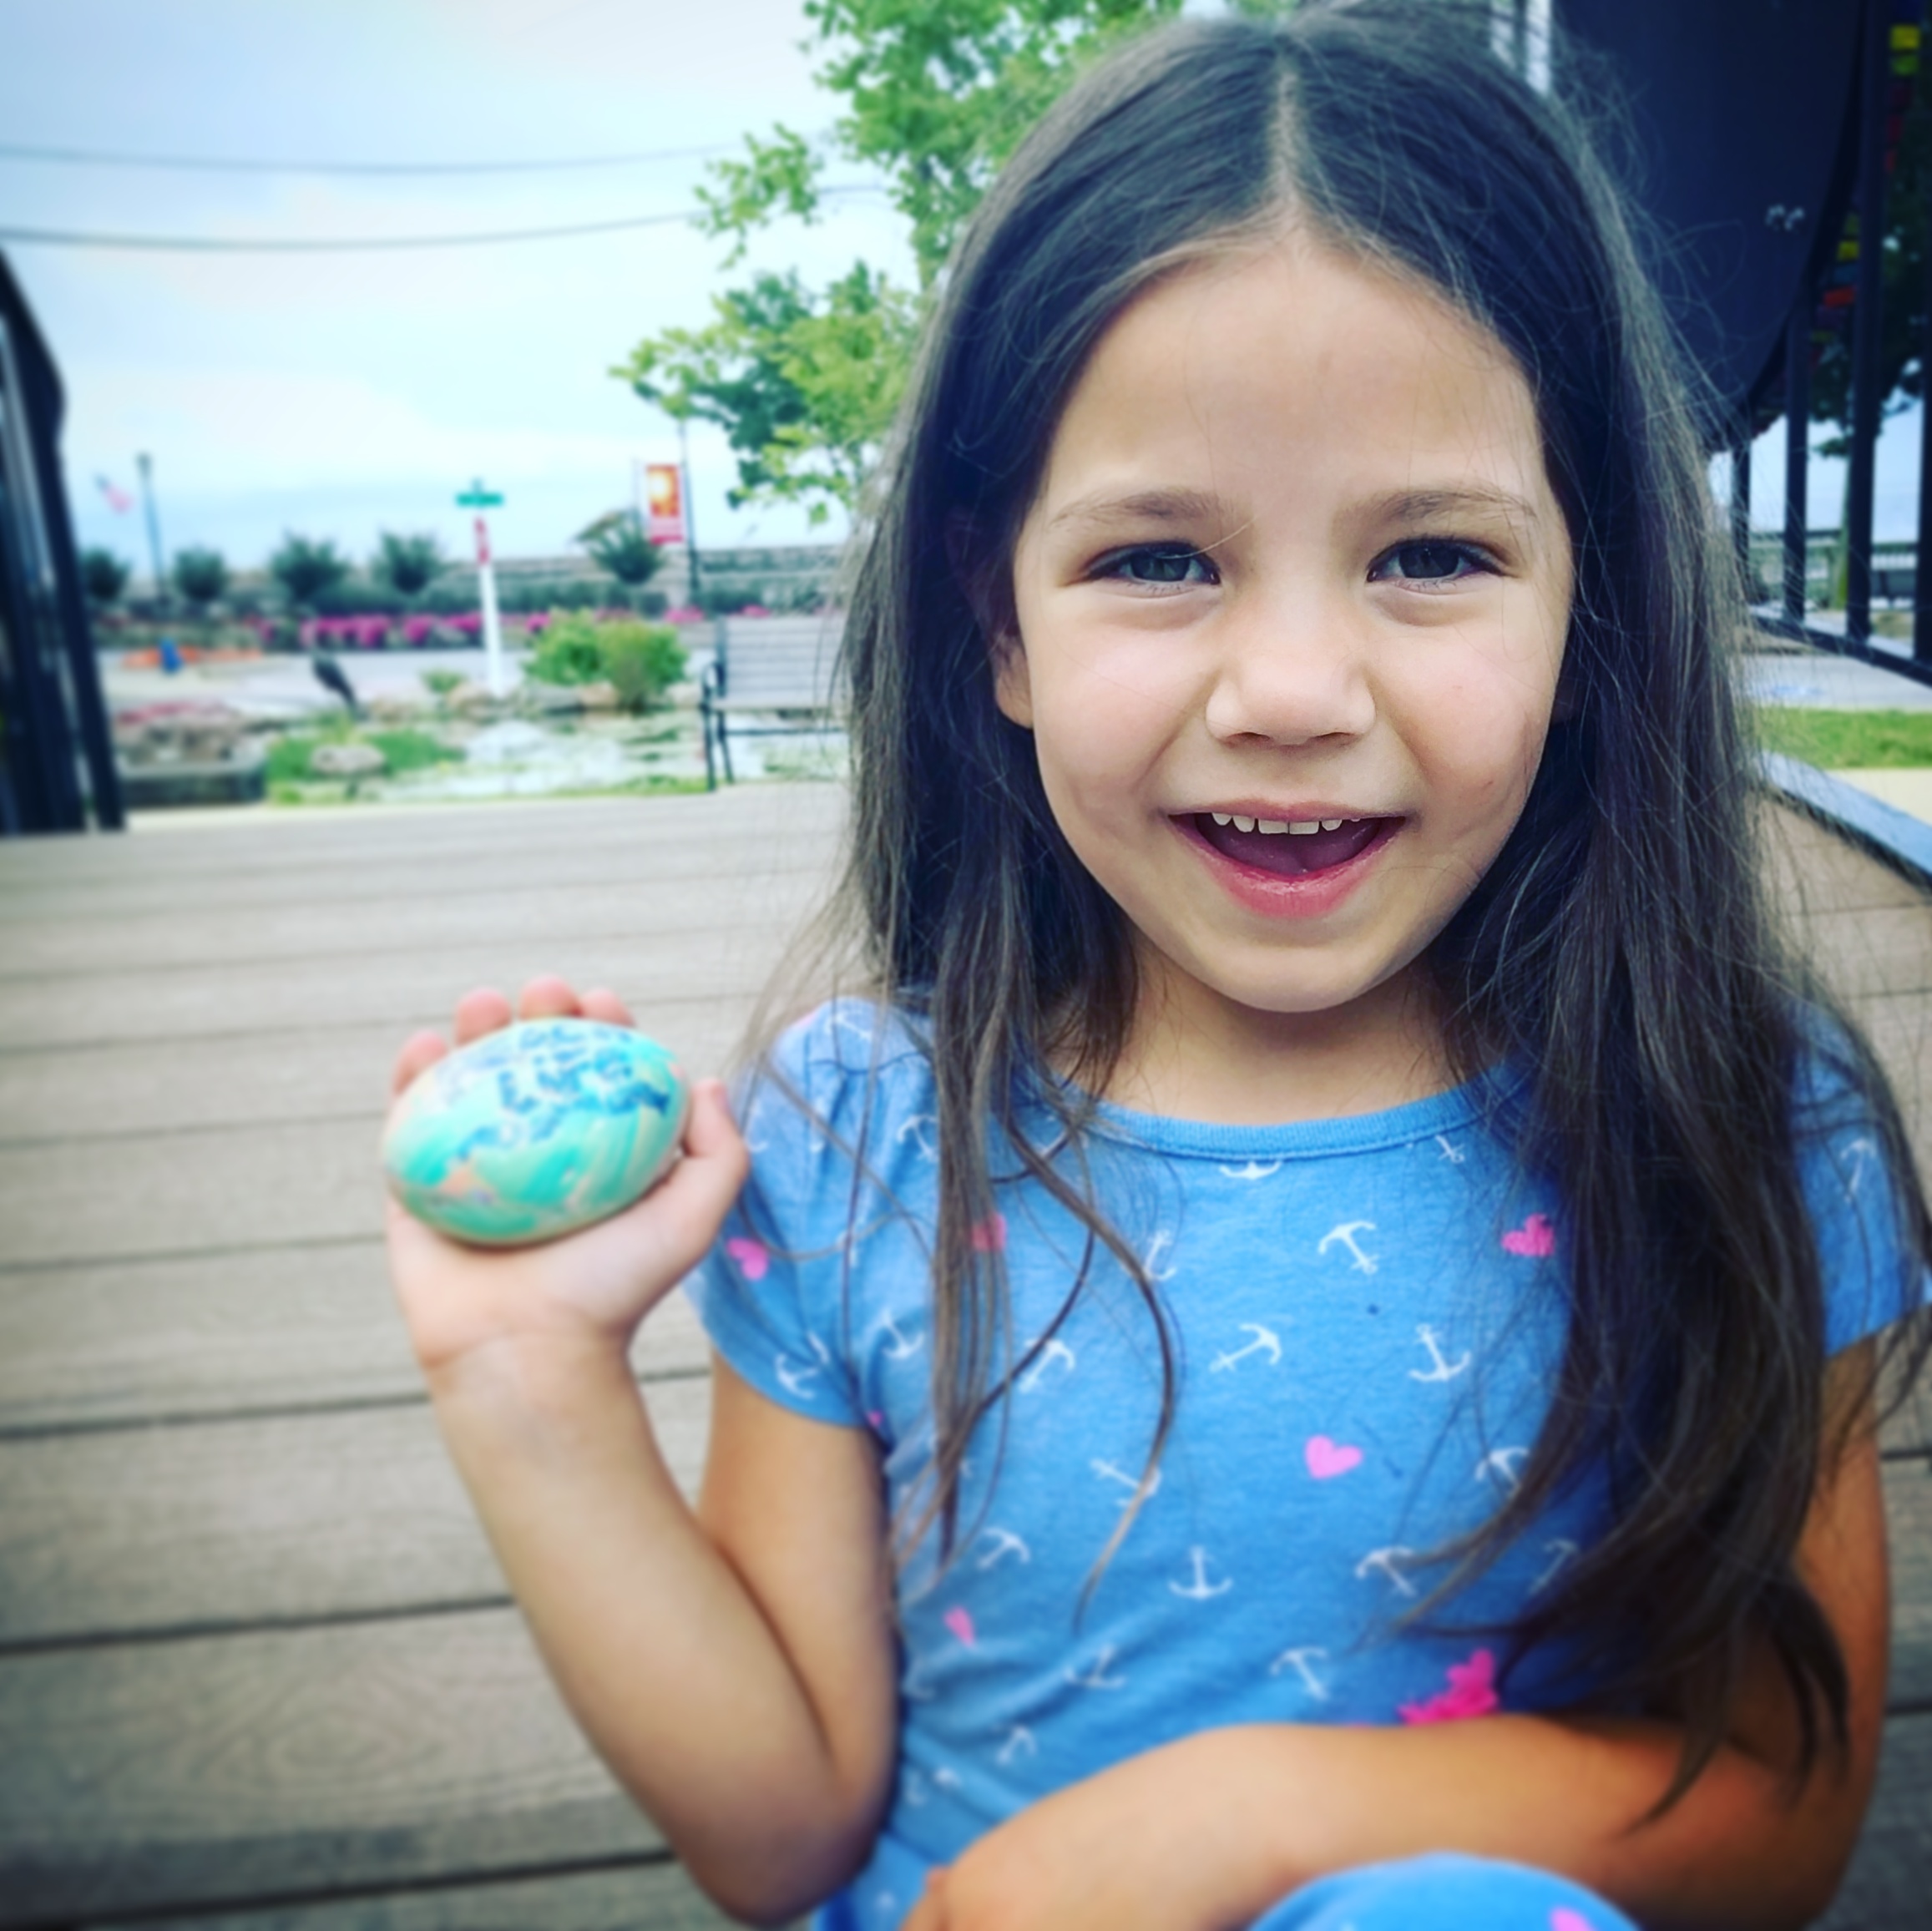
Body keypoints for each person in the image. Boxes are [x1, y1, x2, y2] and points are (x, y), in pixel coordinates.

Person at [385, 5, 1931, 1926]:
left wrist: (1235, 1816)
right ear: (997, 622)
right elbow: (776, 1834)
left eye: (1430, 554)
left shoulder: (1731, 1111)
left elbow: (1775, 1807)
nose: (1289, 690)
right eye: (1157, 560)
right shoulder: (862, 1131)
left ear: (1585, 602)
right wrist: (526, 1373)